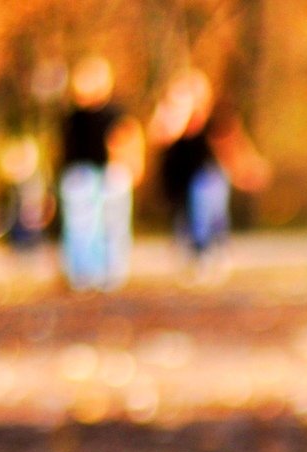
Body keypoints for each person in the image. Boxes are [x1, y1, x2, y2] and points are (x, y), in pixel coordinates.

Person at [150, 70, 271, 274]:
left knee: (210, 217)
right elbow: (159, 138)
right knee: (186, 220)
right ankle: (196, 256)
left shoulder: (216, 114)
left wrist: (247, 166)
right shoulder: (171, 116)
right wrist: (171, 113)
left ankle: (213, 254)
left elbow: (232, 143)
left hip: (208, 174)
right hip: (181, 177)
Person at [58, 57, 144, 292]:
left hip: (109, 174)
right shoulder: (72, 116)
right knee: (81, 227)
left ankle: (111, 272)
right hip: (80, 176)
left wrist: (132, 166)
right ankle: (84, 273)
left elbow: (129, 140)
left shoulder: (115, 113)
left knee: (112, 225)